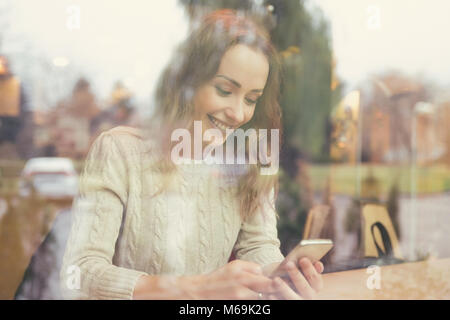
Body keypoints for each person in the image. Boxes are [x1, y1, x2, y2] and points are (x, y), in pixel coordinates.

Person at [60, 9, 324, 300]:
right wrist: (197, 289)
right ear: (188, 83)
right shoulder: (119, 150)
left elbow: (258, 246)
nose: (239, 114)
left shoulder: (248, 161)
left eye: (251, 99)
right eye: (224, 90)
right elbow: (80, 273)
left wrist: (280, 276)